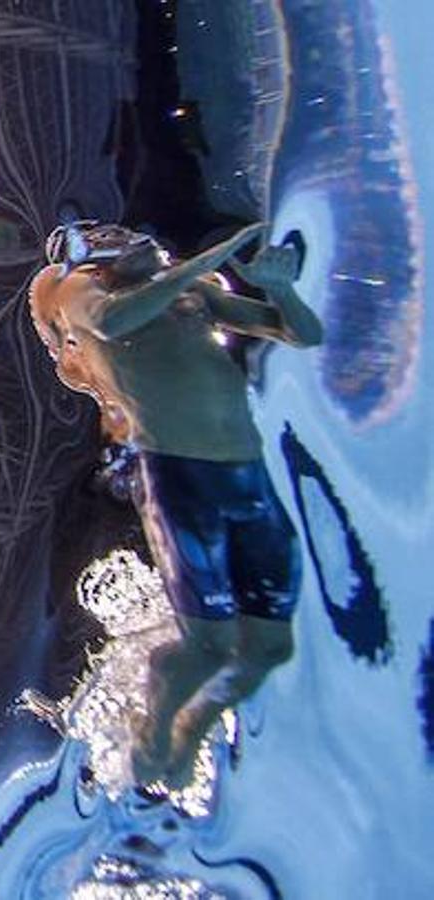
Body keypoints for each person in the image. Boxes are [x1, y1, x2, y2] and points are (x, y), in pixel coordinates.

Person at [28, 220, 323, 788]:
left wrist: (278, 289)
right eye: (90, 230)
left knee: (269, 646)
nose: (112, 227)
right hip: (180, 477)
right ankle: (155, 724)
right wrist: (213, 255)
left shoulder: (190, 291)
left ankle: (194, 726)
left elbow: (301, 334)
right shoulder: (79, 292)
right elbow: (115, 321)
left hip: (247, 474)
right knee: (210, 646)